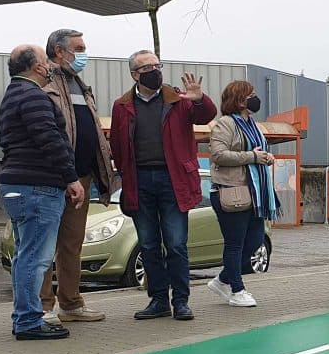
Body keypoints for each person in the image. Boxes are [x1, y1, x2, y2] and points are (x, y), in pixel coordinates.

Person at [109, 50, 216, 320]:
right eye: (148, 67)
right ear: (135, 74)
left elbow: (206, 115)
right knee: (149, 245)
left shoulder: (178, 99)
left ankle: (181, 301)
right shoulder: (122, 105)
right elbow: (118, 146)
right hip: (139, 181)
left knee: (177, 243)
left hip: (173, 180)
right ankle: (158, 300)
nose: (155, 71)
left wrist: (200, 98)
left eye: (158, 65)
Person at [0, 44, 84, 340]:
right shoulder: (33, 96)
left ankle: (26, 316)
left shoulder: (12, 95)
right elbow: (49, 139)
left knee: (25, 254)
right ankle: (28, 321)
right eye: (46, 62)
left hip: (17, 184)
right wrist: (71, 177)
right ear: (36, 67)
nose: (50, 66)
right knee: (36, 256)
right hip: (37, 186)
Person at [39, 29, 116, 325]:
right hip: (54, 178)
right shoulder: (45, 81)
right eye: (79, 48)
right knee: (46, 244)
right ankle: (43, 307)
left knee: (72, 244)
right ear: (59, 51)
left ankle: (70, 304)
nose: (84, 54)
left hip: (81, 178)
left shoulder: (81, 85)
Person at [207, 80, 277, 308]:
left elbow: (258, 152)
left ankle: (222, 279)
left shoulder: (253, 124)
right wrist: (253, 157)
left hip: (255, 194)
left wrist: (266, 157)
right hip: (231, 191)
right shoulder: (225, 124)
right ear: (239, 100)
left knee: (255, 240)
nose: (255, 99)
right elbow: (218, 155)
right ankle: (237, 289)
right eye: (251, 95)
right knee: (235, 243)